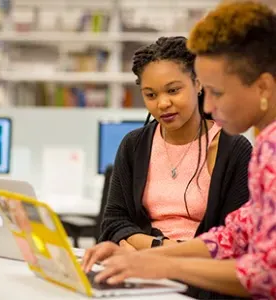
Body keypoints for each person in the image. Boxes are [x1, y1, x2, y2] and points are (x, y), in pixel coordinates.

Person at [82, 2, 276, 299]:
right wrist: (146, 259)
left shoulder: (262, 149)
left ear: (262, 87)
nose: (209, 107)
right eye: (150, 94)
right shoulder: (267, 145)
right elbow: (235, 234)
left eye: (217, 92)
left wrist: (161, 266)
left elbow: (266, 275)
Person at [99, 36, 251, 250]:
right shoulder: (133, 145)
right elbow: (113, 222)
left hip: (201, 271)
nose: (162, 104)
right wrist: (156, 246)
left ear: (198, 83)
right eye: (150, 95)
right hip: (140, 268)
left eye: (173, 90)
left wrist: (164, 252)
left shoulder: (233, 149)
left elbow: (235, 238)